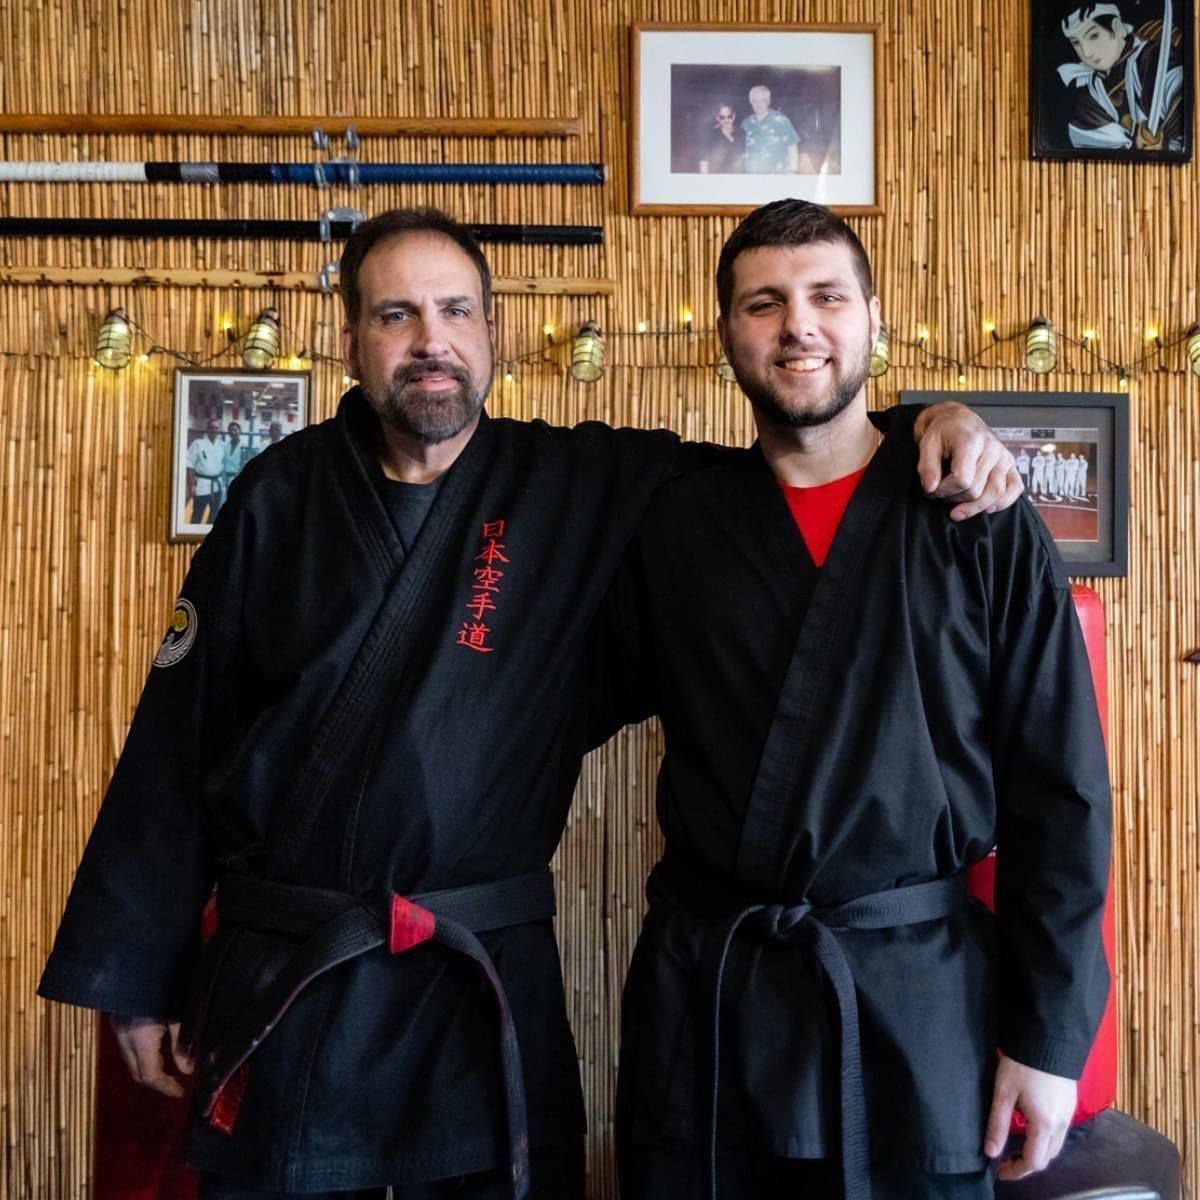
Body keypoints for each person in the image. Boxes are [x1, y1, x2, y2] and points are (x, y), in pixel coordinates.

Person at [38, 206, 1021, 1200]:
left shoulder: (578, 483)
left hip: (479, 983)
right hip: (295, 977)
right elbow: (178, 737)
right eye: (396, 315)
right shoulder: (277, 496)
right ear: (351, 341)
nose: (431, 339)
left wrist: (925, 420)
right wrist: (140, 973)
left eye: (456, 310)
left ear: (493, 332)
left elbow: (806, 450)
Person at [604, 200, 1111, 1200]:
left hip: (916, 1005)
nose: (798, 325)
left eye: (827, 297)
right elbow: (550, 703)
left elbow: (1061, 789)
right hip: (714, 1004)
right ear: (725, 333)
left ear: (875, 319)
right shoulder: (675, 523)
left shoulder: (975, 510)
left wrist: (1048, 1038)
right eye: (764, 303)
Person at [1056, 3, 1185, 153]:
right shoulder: (1094, 89)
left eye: (1093, 36)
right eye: (1076, 42)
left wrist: (1163, 144)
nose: (1086, 53)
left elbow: (1185, 111)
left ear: (1116, 27)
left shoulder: (1153, 60)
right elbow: (1088, 143)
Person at [741, 85, 800, 173]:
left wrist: (793, 171)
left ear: (768, 102)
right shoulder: (746, 123)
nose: (758, 104)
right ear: (751, 102)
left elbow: (792, 148)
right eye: (755, 100)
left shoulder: (781, 121)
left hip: (777, 175)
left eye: (762, 100)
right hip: (752, 176)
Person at [186, 416, 226, 523]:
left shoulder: (222, 445)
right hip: (202, 485)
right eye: (212, 427)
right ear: (207, 429)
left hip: (217, 485)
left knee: (214, 515)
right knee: (197, 514)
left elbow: (224, 464)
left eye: (216, 428)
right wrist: (192, 485)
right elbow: (190, 465)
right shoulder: (198, 443)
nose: (214, 430)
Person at [698, 103, 744, 174]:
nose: (726, 120)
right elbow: (704, 161)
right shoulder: (711, 136)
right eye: (722, 117)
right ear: (717, 118)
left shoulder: (741, 133)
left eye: (729, 116)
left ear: (734, 116)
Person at [222, 421, 249, 490]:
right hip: (226, 478)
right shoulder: (225, 445)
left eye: (235, 430)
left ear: (240, 431)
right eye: (231, 430)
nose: (233, 432)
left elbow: (245, 465)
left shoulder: (244, 446)